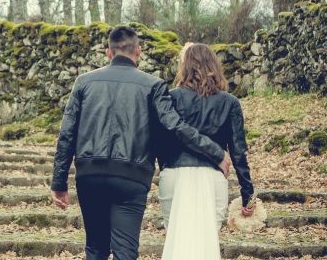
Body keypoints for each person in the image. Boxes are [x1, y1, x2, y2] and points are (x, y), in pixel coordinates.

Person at [50, 26, 231, 260]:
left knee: (95, 248)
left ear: (108, 53)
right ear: (138, 51)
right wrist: (216, 152)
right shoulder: (153, 85)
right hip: (131, 178)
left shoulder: (84, 82)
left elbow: (67, 133)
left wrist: (59, 181)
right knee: (126, 251)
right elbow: (174, 126)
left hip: (90, 174)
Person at [156, 42, 255, 260]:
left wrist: (166, 167)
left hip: (174, 174)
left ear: (184, 67)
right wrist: (248, 194)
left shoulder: (170, 98)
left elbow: (160, 144)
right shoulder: (230, 103)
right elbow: (238, 151)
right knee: (207, 242)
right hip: (213, 176)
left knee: (176, 239)